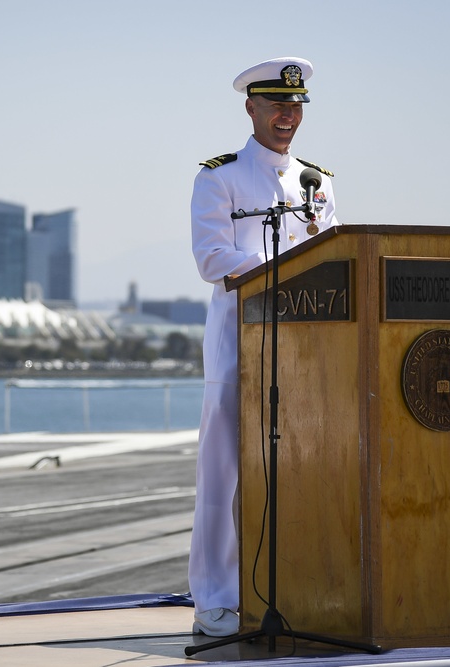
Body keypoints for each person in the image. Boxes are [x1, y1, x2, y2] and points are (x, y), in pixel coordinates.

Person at [188, 57, 340, 637]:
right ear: (250, 107)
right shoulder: (219, 177)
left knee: (303, 469)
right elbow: (212, 260)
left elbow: (337, 255)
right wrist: (284, 264)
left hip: (309, 348)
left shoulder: (318, 181)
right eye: (276, 104)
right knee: (223, 473)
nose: (287, 115)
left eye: (295, 105)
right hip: (238, 342)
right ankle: (216, 598)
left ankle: (298, 588)